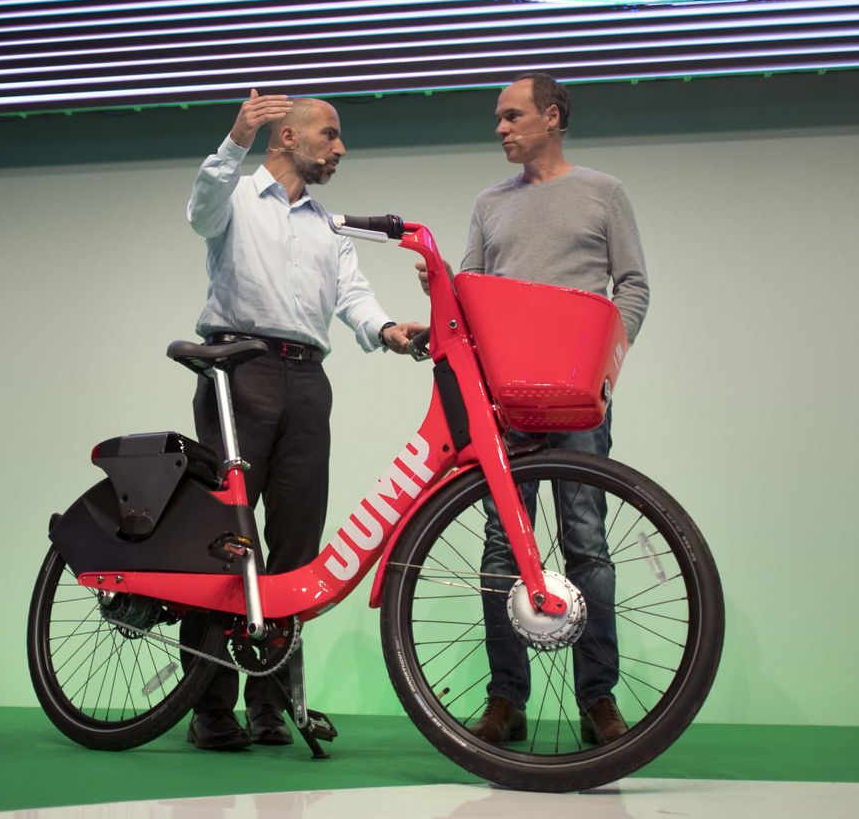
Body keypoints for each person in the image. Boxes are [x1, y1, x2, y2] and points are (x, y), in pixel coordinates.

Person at [181, 89, 425, 751]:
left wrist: (388, 330)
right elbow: (198, 209)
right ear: (287, 138)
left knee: (295, 550)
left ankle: (270, 704)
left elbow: (352, 293)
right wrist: (234, 138)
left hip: (307, 383)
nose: (341, 147)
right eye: (332, 134)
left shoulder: (327, 225)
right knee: (226, 545)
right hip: (239, 373)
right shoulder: (233, 196)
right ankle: (208, 708)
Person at [419, 72, 648, 747]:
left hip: (579, 398)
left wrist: (611, 360)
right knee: (499, 546)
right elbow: (470, 294)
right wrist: (441, 290)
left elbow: (632, 285)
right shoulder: (489, 205)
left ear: (552, 117)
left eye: (512, 116)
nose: (500, 128)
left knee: (586, 544)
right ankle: (505, 700)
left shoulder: (604, 193)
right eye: (499, 118)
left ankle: (597, 701)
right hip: (506, 400)